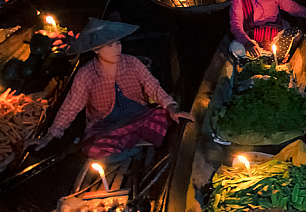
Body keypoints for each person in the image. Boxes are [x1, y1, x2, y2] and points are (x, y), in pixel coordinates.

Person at [27, 18, 193, 159]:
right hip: (105, 126)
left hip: (139, 116)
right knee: (92, 148)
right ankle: (129, 143)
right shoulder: (86, 74)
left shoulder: (132, 63)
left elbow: (153, 88)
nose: (117, 49)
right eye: (110, 46)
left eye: (118, 43)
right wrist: (50, 136)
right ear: (96, 50)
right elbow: (70, 107)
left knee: (166, 118)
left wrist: (171, 108)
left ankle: (127, 142)